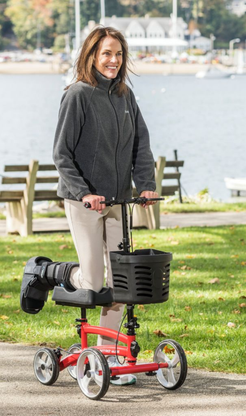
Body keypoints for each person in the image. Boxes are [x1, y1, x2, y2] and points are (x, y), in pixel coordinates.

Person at [20, 26, 158, 386]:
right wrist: (83, 192)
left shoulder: (126, 96)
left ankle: (107, 354)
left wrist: (145, 185)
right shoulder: (78, 95)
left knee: (122, 282)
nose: (113, 61)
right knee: (94, 281)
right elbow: (61, 153)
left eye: (118, 54)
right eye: (106, 54)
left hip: (117, 202)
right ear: (91, 56)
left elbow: (141, 144)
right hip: (83, 201)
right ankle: (47, 272)